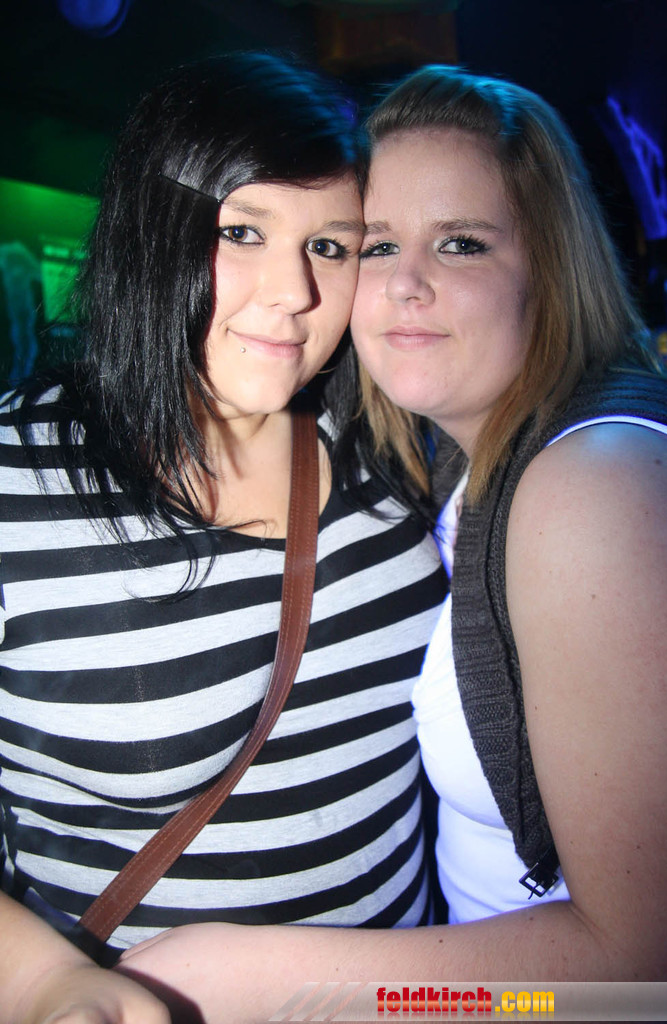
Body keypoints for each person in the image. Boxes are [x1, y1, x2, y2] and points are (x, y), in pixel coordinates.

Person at [107, 64, 667, 1018]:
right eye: (373, 246)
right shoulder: (445, 467)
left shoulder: (594, 484)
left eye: (460, 243)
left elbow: (649, 966)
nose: (406, 284)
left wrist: (250, 980)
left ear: (548, 267)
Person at [0, 54, 448, 1023]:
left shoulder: (391, 445)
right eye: (241, 231)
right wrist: (40, 984)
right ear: (149, 230)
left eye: (329, 246)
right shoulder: (13, 483)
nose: (293, 291)